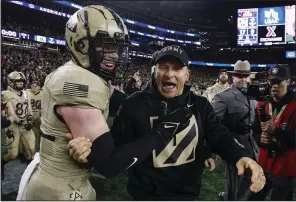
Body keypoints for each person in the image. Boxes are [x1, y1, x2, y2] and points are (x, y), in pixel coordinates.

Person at [24, 6, 190, 200]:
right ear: (80, 44)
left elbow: (123, 102)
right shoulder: (77, 80)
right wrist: (163, 131)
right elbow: (109, 164)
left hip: (69, 182)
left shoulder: (86, 74)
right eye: (106, 45)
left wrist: (154, 100)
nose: (115, 54)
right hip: (59, 189)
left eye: (117, 47)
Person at [67, 46, 266, 200]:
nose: (170, 74)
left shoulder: (200, 105)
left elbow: (219, 135)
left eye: (177, 68)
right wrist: (88, 152)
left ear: (187, 75)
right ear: (154, 72)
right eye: (163, 67)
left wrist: (240, 155)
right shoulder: (134, 105)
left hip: (188, 196)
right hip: (145, 197)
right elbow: (114, 151)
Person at [211, 60, 259, 201]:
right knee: (235, 184)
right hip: (234, 145)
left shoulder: (253, 96)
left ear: (250, 77)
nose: (243, 79)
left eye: (246, 76)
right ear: (233, 78)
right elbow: (213, 124)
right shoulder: (223, 97)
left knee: (250, 180)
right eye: (239, 75)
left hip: (252, 144)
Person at [249, 65, 296, 200]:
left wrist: (276, 131)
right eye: (272, 82)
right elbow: (256, 131)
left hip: (284, 168)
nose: (274, 86)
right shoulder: (263, 105)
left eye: (278, 82)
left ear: (288, 82)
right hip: (263, 164)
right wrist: (260, 140)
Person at [2, 71, 35, 166]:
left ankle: (29, 170)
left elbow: (29, 108)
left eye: (22, 81)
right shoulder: (5, 94)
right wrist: (17, 120)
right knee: (13, 155)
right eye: (17, 81)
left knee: (32, 151)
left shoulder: (26, 93)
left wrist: (29, 119)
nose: (20, 83)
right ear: (11, 82)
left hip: (25, 125)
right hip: (13, 126)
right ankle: (2, 163)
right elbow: (6, 111)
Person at [26, 81, 42, 152]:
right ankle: (34, 149)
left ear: (39, 87)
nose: (32, 87)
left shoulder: (43, 94)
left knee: (42, 132)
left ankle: (41, 147)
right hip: (30, 116)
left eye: (35, 86)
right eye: (32, 86)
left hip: (39, 116)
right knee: (32, 133)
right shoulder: (28, 93)